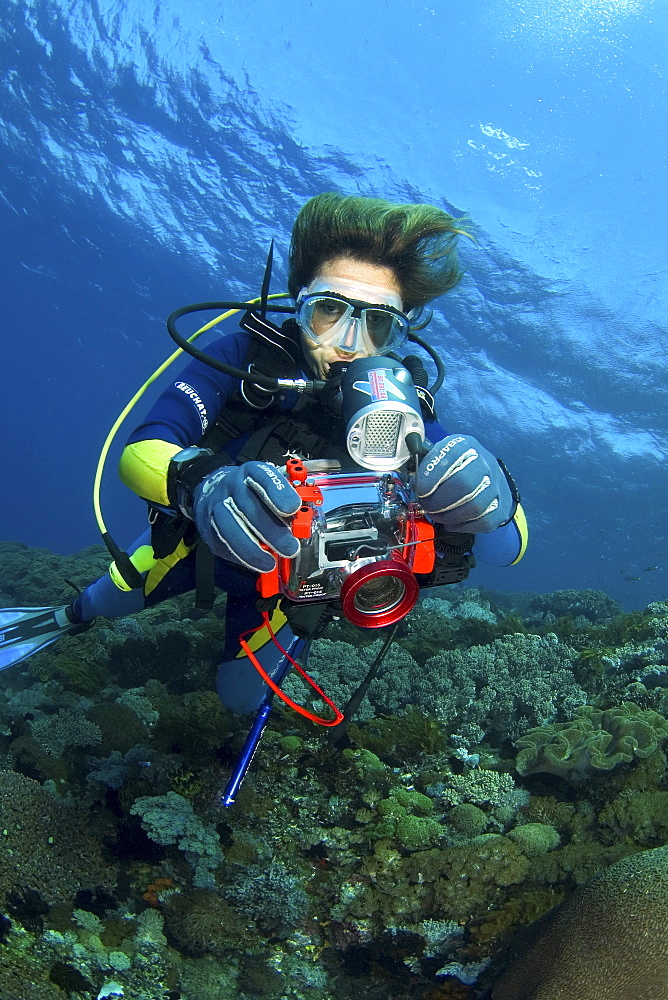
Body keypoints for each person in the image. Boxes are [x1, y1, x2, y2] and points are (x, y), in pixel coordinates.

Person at [0, 193, 528, 714]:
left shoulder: (404, 410)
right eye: (329, 310)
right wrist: (201, 484)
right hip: (192, 544)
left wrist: (491, 499)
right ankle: (65, 617)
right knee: (103, 602)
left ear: (398, 333)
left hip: (289, 591)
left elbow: (506, 549)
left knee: (240, 699)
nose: (350, 342)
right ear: (299, 305)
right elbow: (142, 450)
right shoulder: (242, 358)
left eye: (378, 323)